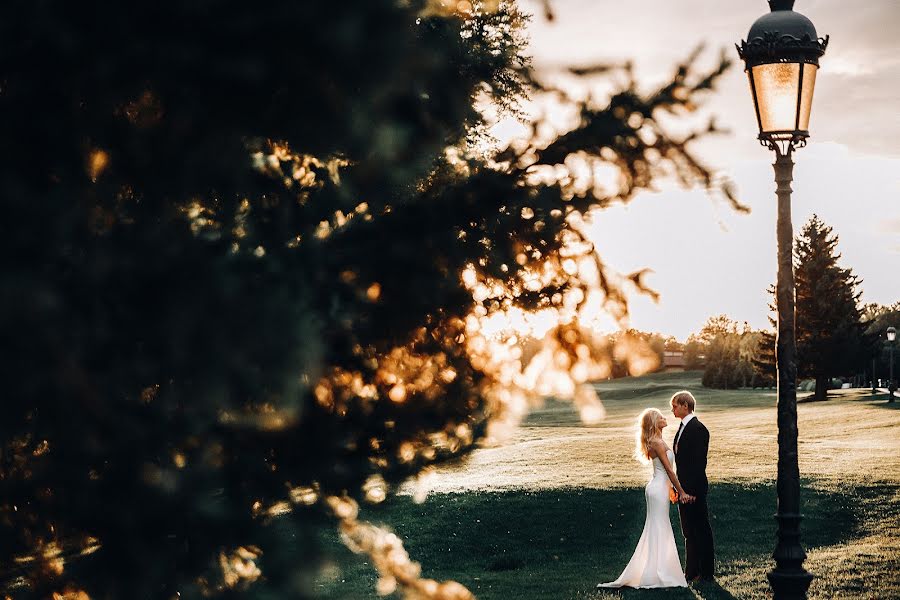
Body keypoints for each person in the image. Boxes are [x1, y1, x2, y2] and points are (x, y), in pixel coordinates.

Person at [598, 408, 692, 589]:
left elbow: (665, 472)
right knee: (659, 527)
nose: (665, 417)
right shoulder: (656, 442)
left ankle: (657, 570)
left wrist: (670, 489)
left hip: (658, 487)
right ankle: (657, 573)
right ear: (654, 422)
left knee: (657, 527)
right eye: (661, 416)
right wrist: (681, 491)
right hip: (657, 490)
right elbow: (669, 470)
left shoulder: (657, 440)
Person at [670, 390, 715, 582]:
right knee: (689, 532)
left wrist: (691, 492)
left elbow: (698, 464)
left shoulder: (698, 429)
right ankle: (691, 572)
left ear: (685, 406)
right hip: (683, 489)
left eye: (675, 406)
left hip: (694, 490)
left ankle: (706, 573)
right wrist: (678, 489)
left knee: (701, 530)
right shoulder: (681, 428)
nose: (672, 409)